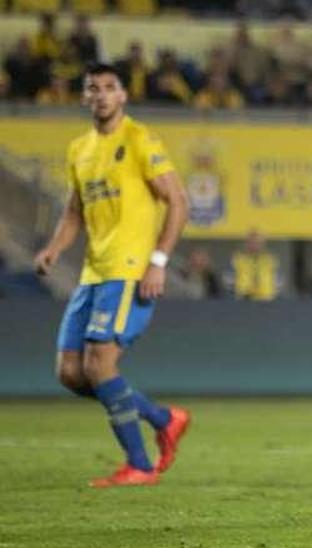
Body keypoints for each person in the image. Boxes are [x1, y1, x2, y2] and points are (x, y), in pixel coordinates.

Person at [33, 62, 192, 488]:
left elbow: (178, 199)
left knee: (100, 366)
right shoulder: (79, 150)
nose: (101, 95)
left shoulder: (139, 139)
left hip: (129, 270)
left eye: (109, 87)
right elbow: (74, 211)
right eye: (92, 88)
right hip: (93, 272)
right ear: (84, 97)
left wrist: (158, 261)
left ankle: (139, 465)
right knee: (70, 372)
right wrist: (53, 249)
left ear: (123, 95)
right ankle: (163, 418)